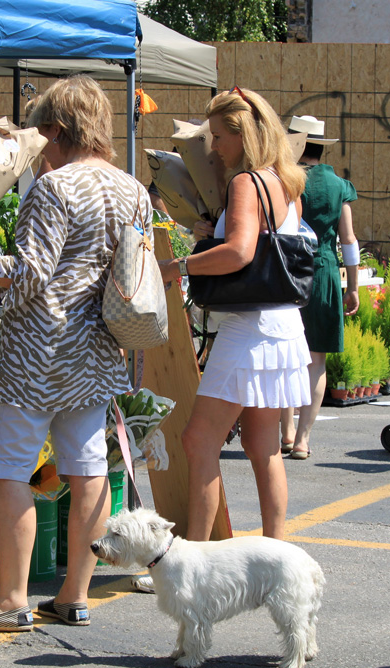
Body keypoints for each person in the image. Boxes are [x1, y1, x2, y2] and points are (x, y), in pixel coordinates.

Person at [0, 75, 140, 633]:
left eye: (40, 130)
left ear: (55, 129)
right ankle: (74, 594)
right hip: (97, 350)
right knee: (88, 468)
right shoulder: (131, 189)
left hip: (37, 353)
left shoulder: (53, 188)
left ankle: (11, 599)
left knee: (9, 470)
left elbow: (28, 277)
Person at [157, 86, 310, 543]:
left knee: (198, 441)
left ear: (244, 135)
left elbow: (241, 251)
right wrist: (212, 232)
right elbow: (266, 242)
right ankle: (276, 550)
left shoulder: (246, 182)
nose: (215, 148)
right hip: (282, 326)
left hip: (249, 329)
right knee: (263, 447)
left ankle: (197, 554)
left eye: (220, 136)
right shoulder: (286, 182)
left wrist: (178, 265)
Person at [279, 115, 359, 460]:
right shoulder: (339, 185)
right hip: (325, 271)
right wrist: (353, 285)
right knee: (315, 359)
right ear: (322, 147)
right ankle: (303, 440)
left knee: (285, 356)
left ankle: (285, 431)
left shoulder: (285, 179)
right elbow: (349, 239)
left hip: (288, 270)